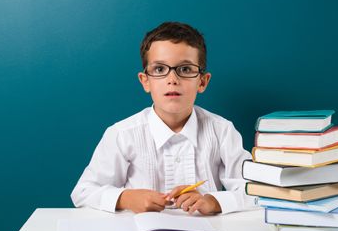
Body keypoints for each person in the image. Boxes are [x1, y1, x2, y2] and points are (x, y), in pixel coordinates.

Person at [71, 21, 254, 215]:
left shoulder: (222, 131)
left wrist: (214, 201)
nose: (172, 79)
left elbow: (258, 191)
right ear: (145, 81)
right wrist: (126, 198)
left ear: (202, 81)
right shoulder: (121, 135)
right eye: (159, 69)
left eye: (185, 69)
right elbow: (83, 192)